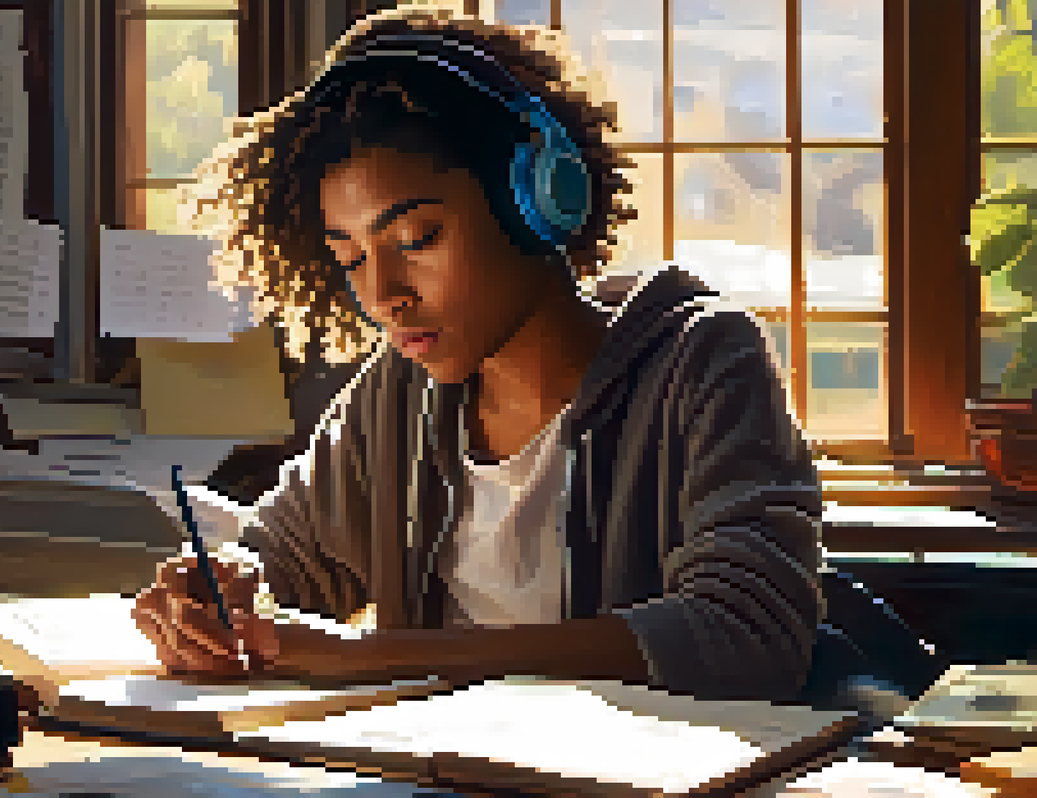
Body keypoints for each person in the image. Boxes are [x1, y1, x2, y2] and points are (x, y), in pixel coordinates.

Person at [132, 3, 824, 703]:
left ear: (532, 196)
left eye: (417, 240)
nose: (383, 295)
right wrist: (216, 588)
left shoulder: (702, 361)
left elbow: (747, 635)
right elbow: (279, 557)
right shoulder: (394, 398)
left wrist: (378, 656)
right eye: (350, 257)